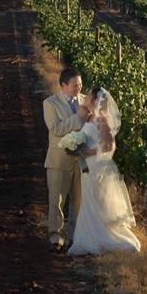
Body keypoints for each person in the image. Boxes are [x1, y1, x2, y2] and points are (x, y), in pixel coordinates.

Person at [68, 87, 140, 255]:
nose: (84, 98)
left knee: (96, 201)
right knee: (89, 201)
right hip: (89, 165)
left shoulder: (101, 119)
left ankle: (104, 239)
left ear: (94, 101)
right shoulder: (91, 117)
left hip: (96, 166)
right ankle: (87, 238)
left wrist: (86, 153)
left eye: (88, 97)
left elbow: (109, 146)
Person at [43, 67, 88, 253]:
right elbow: (56, 129)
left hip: (80, 160)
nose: (78, 89)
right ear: (63, 85)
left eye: (80, 85)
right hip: (59, 160)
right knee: (57, 200)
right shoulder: (50, 103)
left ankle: (73, 237)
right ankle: (56, 236)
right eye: (74, 86)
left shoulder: (85, 101)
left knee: (78, 202)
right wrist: (77, 118)